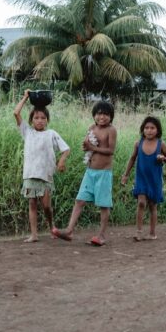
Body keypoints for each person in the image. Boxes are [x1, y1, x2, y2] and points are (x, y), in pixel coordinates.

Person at [53, 100, 117, 246]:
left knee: (103, 205)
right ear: (94, 115)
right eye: (99, 114)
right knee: (80, 200)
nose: (102, 117)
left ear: (111, 117)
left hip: (103, 173)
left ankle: (101, 236)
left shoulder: (111, 130)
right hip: (90, 171)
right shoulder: (91, 127)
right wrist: (86, 147)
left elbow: (111, 151)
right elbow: (89, 147)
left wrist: (92, 148)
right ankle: (69, 230)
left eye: (106, 114)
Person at [14, 89, 71, 243]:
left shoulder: (51, 133)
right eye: (36, 118)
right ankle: (34, 234)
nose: (39, 120)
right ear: (31, 120)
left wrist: (61, 161)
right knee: (32, 204)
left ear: (47, 120)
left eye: (43, 118)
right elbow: (16, 113)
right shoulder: (27, 132)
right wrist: (25, 97)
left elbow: (66, 149)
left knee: (46, 206)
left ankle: (51, 226)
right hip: (30, 174)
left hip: (45, 175)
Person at [121, 116, 166, 241]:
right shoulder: (138, 143)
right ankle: (138, 231)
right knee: (141, 202)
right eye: (146, 128)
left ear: (157, 130)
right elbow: (132, 159)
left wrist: (163, 158)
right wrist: (125, 175)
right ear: (142, 130)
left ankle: (152, 233)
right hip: (141, 178)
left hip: (154, 180)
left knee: (153, 205)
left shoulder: (161, 144)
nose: (149, 130)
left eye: (152, 128)